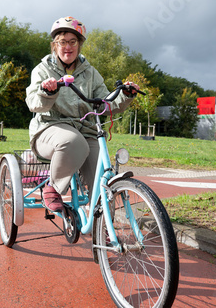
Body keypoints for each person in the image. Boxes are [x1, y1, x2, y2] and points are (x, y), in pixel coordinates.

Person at [25, 16, 139, 212]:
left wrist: (125, 95)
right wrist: (49, 92)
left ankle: (105, 230)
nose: (67, 47)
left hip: (86, 132)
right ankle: (52, 187)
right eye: (62, 42)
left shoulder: (91, 73)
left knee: (104, 178)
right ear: (54, 45)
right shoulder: (43, 70)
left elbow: (106, 103)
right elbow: (34, 104)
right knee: (73, 141)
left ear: (79, 44)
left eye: (72, 42)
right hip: (48, 129)